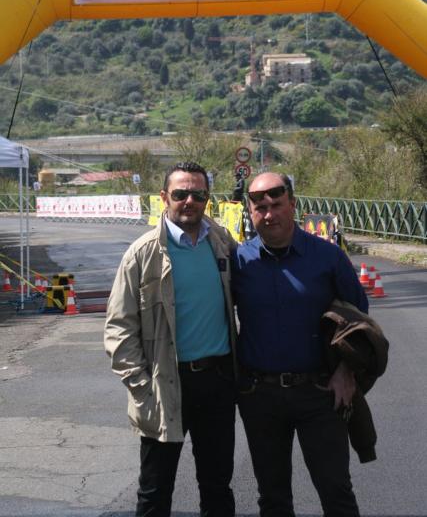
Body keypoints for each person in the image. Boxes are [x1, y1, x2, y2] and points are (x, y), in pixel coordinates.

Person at [231, 172, 369, 517]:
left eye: (277, 205)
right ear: (250, 212)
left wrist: (346, 371)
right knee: (272, 497)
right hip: (259, 396)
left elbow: (359, 320)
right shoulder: (239, 261)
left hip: (320, 393)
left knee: (336, 491)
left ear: (293, 205)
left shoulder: (328, 257)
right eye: (260, 208)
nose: (269, 214)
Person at [104, 161, 237, 517]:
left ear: (208, 198)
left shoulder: (222, 242)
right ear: (164, 197)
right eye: (180, 194)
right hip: (164, 385)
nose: (189, 201)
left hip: (217, 382)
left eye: (198, 194)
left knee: (217, 486)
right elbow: (118, 328)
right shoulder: (142, 254)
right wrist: (142, 388)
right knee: (155, 491)